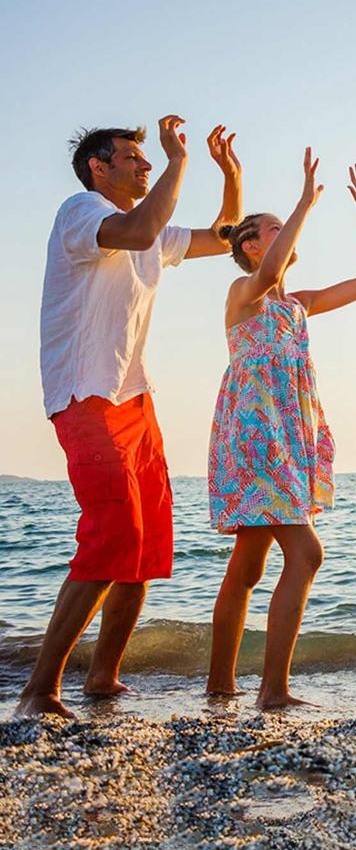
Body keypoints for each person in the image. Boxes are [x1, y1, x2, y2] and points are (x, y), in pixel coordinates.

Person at [17, 118, 243, 718]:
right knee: (110, 533)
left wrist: (231, 176)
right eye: (133, 158)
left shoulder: (147, 232)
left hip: (134, 398)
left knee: (144, 542)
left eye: (149, 160)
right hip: (84, 395)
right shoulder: (81, 210)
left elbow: (224, 239)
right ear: (99, 166)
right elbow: (141, 231)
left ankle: (103, 678)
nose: (144, 167)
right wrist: (178, 162)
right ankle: (39, 689)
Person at [206, 151, 356, 709]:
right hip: (256, 436)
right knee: (306, 554)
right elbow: (267, 275)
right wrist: (305, 199)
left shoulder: (299, 306)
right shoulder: (243, 296)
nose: (286, 233)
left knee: (250, 564)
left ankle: (219, 687)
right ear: (251, 245)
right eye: (274, 228)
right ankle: (273, 692)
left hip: (286, 435)